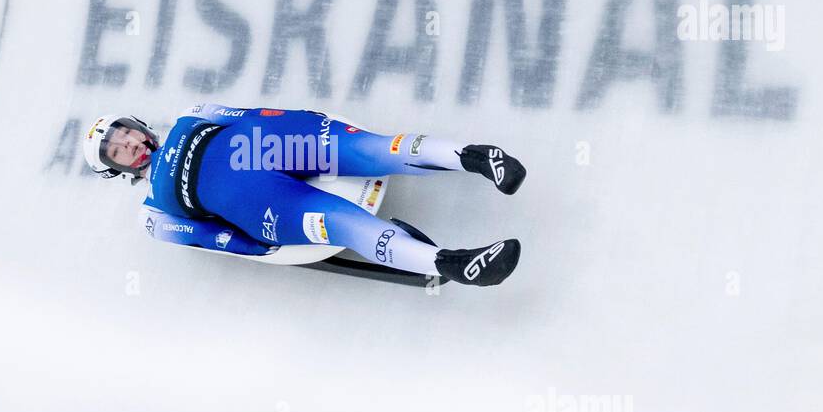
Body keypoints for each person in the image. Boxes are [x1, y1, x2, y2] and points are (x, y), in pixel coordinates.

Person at [82, 105, 525, 287]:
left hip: (274, 140)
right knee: (347, 224)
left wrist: (302, 118)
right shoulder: (153, 212)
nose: (131, 144)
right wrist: (254, 246)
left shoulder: (190, 115)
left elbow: (251, 112)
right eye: (119, 150)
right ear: (116, 169)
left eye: (127, 133)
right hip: (260, 203)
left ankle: (474, 157)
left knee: (372, 148)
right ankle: (453, 264)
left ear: (139, 125)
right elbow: (203, 236)